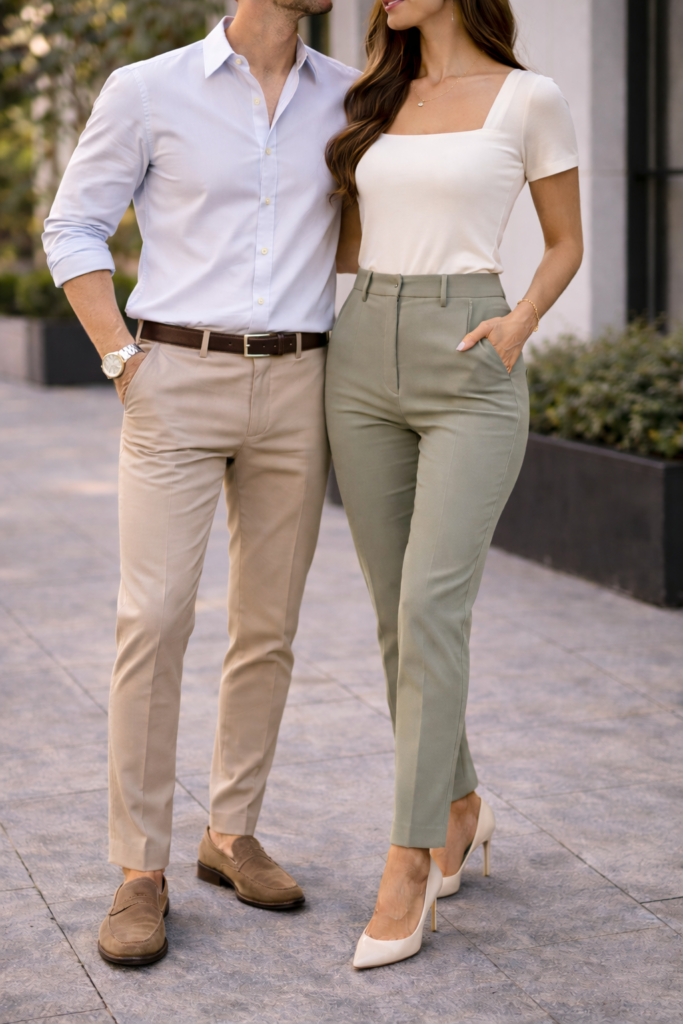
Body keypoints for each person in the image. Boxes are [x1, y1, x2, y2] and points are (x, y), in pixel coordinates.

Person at [43, 0, 357, 967]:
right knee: (157, 616)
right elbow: (74, 228)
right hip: (174, 375)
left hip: (300, 378)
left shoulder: (350, 98)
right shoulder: (149, 90)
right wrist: (121, 360)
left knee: (268, 622)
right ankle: (139, 871)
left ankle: (231, 833)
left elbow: (356, 238)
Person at [325, 0, 583, 968]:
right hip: (360, 355)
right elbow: (347, 238)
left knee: (432, 605)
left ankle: (406, 859)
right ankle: (462, 805)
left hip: (469, 353)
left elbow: (565, 243)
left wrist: (516, 325)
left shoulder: (529, 99)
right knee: (397, 617)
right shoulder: (370, 95)